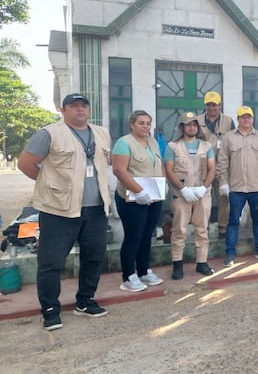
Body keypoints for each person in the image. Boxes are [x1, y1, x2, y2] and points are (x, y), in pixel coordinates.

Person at [18, 93, 112, 330]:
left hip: (96, 208)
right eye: (74, 106)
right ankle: (50, 310)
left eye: (84, 105)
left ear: (89, 110)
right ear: (63, 110)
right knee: (51, 262)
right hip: (59, 210)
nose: (79, 109)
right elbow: (26, 164)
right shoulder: (49, 133)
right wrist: (50, 185)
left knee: (94, 257)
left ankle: (85, 301)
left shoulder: (101, 133)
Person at [217, 106, 258, 267]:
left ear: (252, 119)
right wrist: (223, 181)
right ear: (238, 119)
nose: (246, 120)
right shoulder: (229, 138)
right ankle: (230, 253)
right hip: (236, 188)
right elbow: (222, 161)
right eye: (243, 117)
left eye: (249, 117)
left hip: (257, 186)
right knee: (233, 221)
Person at [113, 110, 166, 292]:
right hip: (132, 198)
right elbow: (119, 171)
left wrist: (163, 185)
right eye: (141, 123)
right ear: (132, 124)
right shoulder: (124, 143)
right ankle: (128, 275)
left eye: (148, 123)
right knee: (133, 236)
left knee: (146, 235)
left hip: (153, 197)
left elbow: (160, 165)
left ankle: (143, 271)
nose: (145, 126)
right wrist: (139, 191)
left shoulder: (152, 142)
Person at [163, 112, 216, 279]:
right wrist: (183, 188)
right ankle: (177, 264)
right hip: (181, 194)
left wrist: (203, 187)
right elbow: (169, 170)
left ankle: (202, 262)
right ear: (182, 127)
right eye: (188, 124)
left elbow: (212, 169)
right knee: (179, 230)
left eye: (194, 124)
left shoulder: (206, 146)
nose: (191, 127)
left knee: (202, 229)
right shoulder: (173, 146)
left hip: (202, 193)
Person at [196, 91, 235, 238]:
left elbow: (233, 142)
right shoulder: (197, 121)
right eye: (209, 105)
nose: (212, 108)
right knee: (201, 199)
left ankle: (223, 229)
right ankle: (202, 228)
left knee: (224, 199)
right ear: (205, 105)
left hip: (221, 166)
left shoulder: (228, 121)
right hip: (202, 166)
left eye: (215, 105)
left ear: (220, 105)